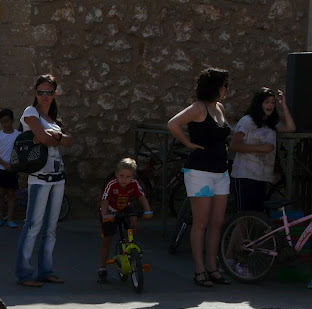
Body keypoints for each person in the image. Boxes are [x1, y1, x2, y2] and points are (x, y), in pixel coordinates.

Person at [167, 67, 232, 288]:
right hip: (200, 172)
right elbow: (173, 123)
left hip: (221, 172)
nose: (226, 90)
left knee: (217, 222)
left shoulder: (219, 107)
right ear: (215, 87)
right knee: (201, 222)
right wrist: (187, 143)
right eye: (224, 85)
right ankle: (199, 270)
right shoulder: (198, 107)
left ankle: (213, 267)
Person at [15, 74, 74, 287]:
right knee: (33, 225)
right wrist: (56, 138)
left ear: (55, 94)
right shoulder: (30, 112)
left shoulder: (54, 119)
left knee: (50, 228)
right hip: (39, 177)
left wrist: (54, 137)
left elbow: (70, 141)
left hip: (57, 177)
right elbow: (42, 138)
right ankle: (24, 273)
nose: (45, 96)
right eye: (41, 92)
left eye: (49, 92)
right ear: (35, 93)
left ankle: (45, 271)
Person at [230, 88, 296, 212]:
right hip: (245, 176)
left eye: (273, 102)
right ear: (259, 103)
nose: (270, 105)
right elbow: (234, 145)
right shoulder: (247, 121)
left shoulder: (271, 124)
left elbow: (291, 128)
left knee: (257, 216)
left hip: (261, 177)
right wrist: (261, 148)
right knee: (245, 215)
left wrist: (283, 105)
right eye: (267, 102)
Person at [97, 158, 153, 283]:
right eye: (121, 176)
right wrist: (105, 214)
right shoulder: (112, 184)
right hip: (110, 210)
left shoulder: (134, 184)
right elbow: (105, 200)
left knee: (133, 219)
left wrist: (148, 211)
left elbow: (141, 197)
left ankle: (130, 246)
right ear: (116, 174)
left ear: (133, 177)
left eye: (128, 177)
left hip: (125, 207)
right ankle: (102, 268)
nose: (124, 179)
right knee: (107, 239)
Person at [0, 108, 21, 228]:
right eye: (2, 122)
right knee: (0, 194)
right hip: (0, 169)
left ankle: (10, 219)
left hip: (12, 169)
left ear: (12, 120)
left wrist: (14, 165)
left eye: (7, 121)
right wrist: (5, 164)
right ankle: (0, 218)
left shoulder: (18, 135)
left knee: (11, 194)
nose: (5, 124)